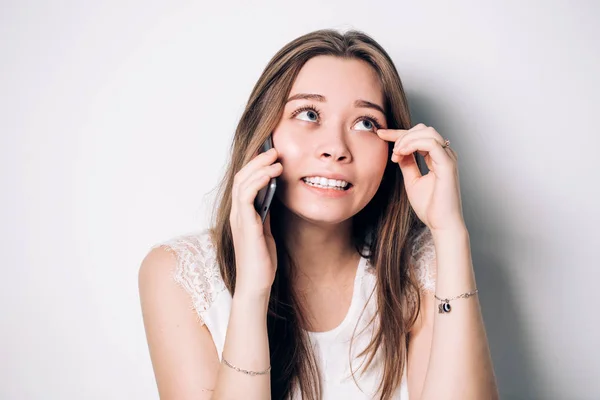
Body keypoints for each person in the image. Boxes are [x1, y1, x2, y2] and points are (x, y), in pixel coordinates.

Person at [138, 29, 498, 400]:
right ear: (263, 134)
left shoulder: (421, 265)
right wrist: (251, 292)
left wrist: (450, 232)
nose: (336, 148)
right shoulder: (180, 274)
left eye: (366, 123)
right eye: (309, 114)